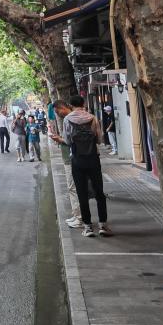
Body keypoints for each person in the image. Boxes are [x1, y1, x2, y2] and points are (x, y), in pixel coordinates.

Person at [53, 96, 113, 237]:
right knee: (99, 192)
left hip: (77, 160)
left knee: (82, 193)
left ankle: (87, 227)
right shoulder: (92, 118)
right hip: (93, 159)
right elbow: (99, 139)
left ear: (71, 105)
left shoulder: (68, 120)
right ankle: (103, 225)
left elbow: (67, 141)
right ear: (83, 104)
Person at [49, 100, 83, 227]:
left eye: (57, 111)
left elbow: (70, 141)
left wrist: (59, 139)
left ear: (62, 107)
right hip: (72, 158)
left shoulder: (69, 119)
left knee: (73, 188)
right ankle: (77, 216)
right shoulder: (74, 118)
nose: (57, 114)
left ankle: (79, 218)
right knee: (73, 188)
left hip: (71, 158)